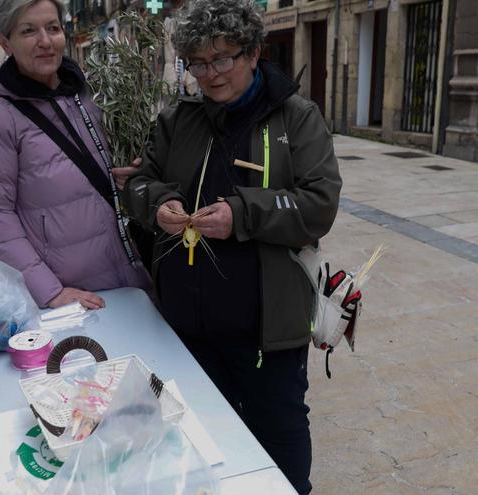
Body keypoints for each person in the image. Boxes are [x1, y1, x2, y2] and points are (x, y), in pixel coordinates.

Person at [123, 0, 341, 492]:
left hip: (266, 333)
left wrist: (242, 213)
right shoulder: (180, 119)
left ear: (254, 53)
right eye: (198, 62)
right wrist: (158, 205)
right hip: (188, 330)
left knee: (279, 442)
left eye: (223, 59)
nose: (211, 74)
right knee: (199, 444)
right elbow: (138, 183)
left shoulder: (297, 119)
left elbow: (319, 205)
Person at [0, 0, 150, 311]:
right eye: (28, 31)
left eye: (52, 28)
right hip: (69, 296)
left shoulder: (84, 94)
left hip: (129, 275)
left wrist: (119, 173)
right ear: (4, 42)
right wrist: (49, 292)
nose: (45, 41)